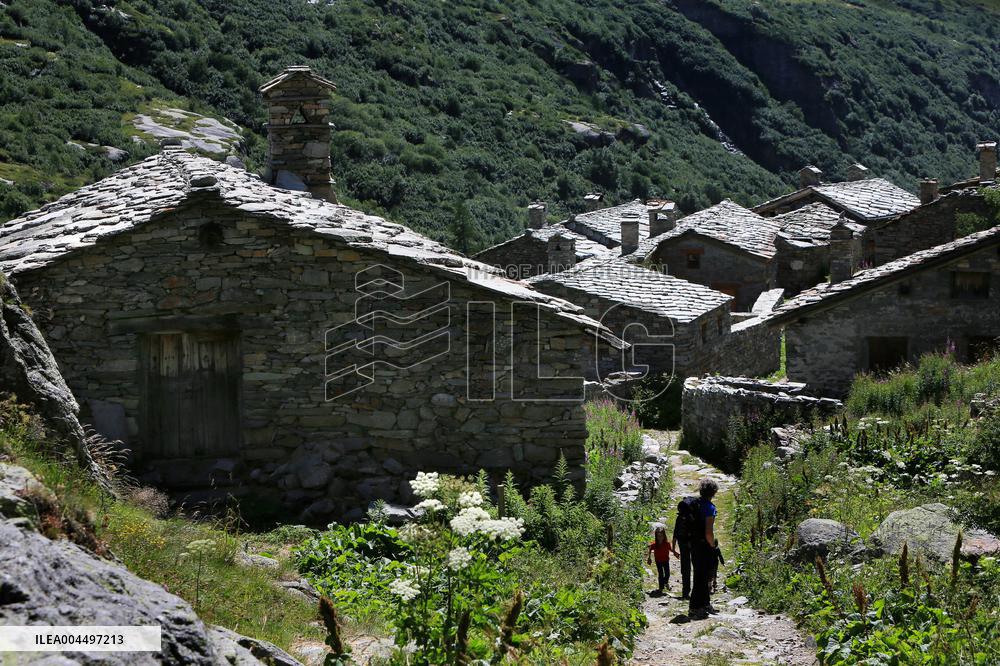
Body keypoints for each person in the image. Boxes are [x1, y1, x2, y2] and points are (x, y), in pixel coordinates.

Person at [688, 478, 719, 620]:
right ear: (713, 492)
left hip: (693, 544)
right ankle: (695, 607)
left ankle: (705, 603)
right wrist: (712, 545)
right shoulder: (710, 508)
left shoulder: (695, 504)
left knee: (701, 574)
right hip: (704, 546)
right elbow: (708, 532)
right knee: (702, 576)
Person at [672, 494, 701, 599]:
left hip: (682, 543)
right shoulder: (694, 516)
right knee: (696, 566)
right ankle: (696, 591)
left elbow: (675, 533)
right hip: (693, 543)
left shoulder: (680, 517)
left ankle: (685, 592)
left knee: (685, 568)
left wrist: (673, 548)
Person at [646, 526, 680, 594]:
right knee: (661, 574)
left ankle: (665, 582)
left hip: (665, 560)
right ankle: (661, 588)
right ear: (656, 536)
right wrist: (649, 557)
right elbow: (650, 549)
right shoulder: (654, 544)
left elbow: (671, 550)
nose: (660, 538)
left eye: (661, 536)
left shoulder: (667, 544)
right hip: (658, 561)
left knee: (667, 574)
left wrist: (675, 553)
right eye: (658, 536)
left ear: (664, 536)